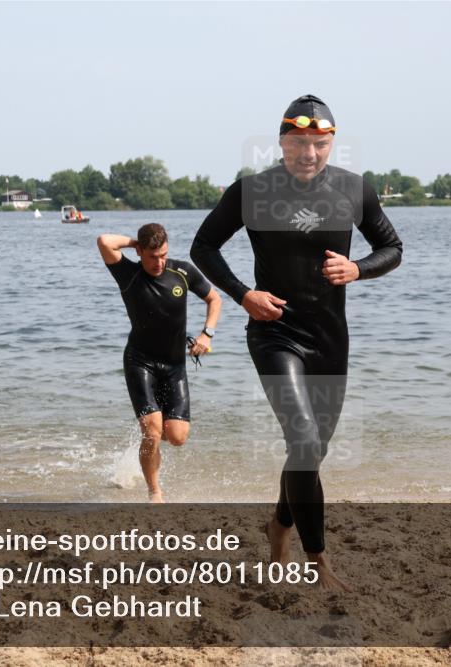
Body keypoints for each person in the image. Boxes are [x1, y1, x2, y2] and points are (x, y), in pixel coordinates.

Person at [191, 94, 402, 590]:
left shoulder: (354, 190)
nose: (308, 153)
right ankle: (319, 562)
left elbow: (392, 248)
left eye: (319, 143)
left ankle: (280, 523)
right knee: (304, 442)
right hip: (274, 332)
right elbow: (203, 246)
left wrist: (357, 269)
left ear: (332, 143)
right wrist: (243, 296)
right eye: (298, 142)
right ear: (282, 141)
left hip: (330, 337)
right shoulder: (252, 191)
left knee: (312, 450)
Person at [98, 223, 222, 503]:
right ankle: (155, 492)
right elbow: (104, 241)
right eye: (152, 256)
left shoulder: (183, 272)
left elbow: (214, 299)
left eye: (163, 254)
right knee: (152, 431)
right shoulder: (127, 274)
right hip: (140, 362)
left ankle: (147, 443)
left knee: (176, 437)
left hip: (175, 365)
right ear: (140, 252)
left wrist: (207, 333)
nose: (159, 262)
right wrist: (135, 243)